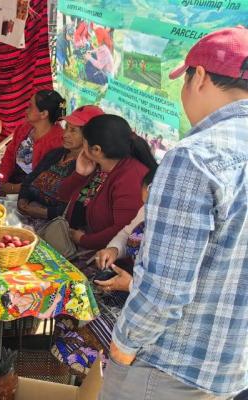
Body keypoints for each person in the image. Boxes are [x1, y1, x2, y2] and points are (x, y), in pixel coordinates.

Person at [102, 27, 248, 400]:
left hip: (168, 368)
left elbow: (165, 289)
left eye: (184, 79)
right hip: (231, 371)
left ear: (199, 76)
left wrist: (123, 346)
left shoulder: (196, 156)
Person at [51, 168, 154, 375]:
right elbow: (127, 232)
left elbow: (167, 292)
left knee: (92, 330)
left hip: (147, 305)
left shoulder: (182, 236)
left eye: (152, 202)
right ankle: (71, 380)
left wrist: (130, 285)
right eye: (145, 202)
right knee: (73, 299)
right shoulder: (148, 210)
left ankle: (92, 383)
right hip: (126, 288)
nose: (147, 207)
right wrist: (114, 249)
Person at [55, 114, 156, 258]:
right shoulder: (97, 164)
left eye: (84, 141)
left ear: (96, 149)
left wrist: (84, 240)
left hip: (104, 255)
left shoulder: (131, 177)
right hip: (77, 243)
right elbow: (62, 195)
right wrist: (79, 174)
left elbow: (123, 229)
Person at [18, 105, 104, 225]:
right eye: (66, 127)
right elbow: (29, 180)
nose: (65, 135)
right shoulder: (56, 154)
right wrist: (23, 199)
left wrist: (44, 212)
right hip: (27, 216)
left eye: (73, 130)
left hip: (54, 227)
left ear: (90, 136)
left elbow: (77, 210)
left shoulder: (90, 168)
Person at [0, 90, 66, 195]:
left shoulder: (58, 142)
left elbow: (45, 179)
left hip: (34, 190)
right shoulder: (25, 127)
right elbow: (9, 155)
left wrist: (13, 188)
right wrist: (2, 181)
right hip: (12, 179)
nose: (26, 110)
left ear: (43, 114)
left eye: (30, 106)